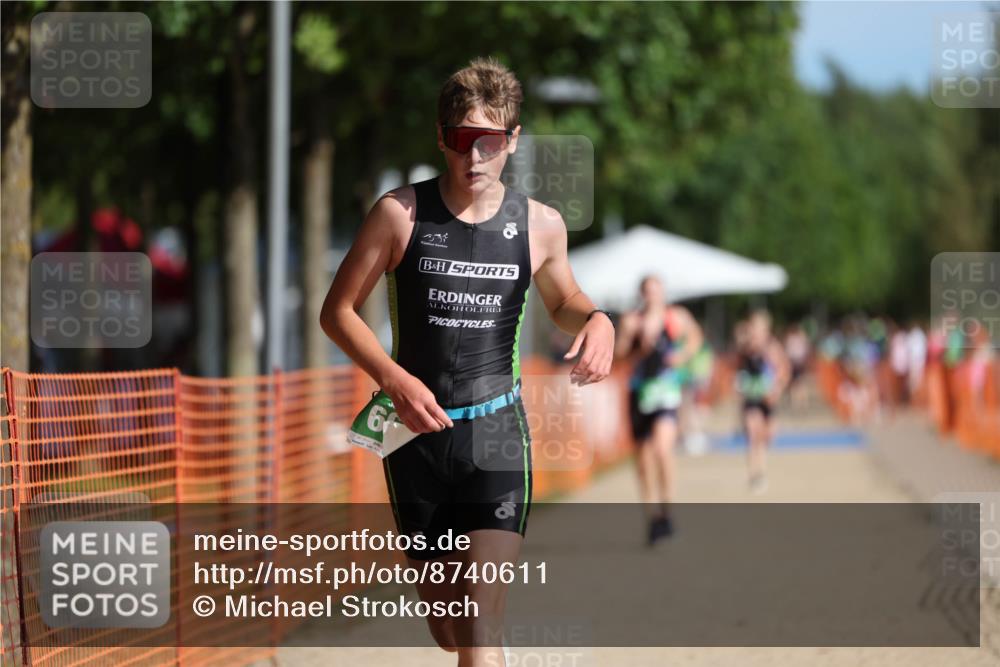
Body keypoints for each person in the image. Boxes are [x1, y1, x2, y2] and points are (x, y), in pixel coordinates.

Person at [320, 57, 614, 666]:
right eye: (461, 141)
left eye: (489, 142)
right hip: (412, 438)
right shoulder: (399, 214)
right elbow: (337, 311)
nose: (474, 158)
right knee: (450, 628)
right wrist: (394, 380)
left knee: (482, 625)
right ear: (440, 138)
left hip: (496, 435)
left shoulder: (540, 225)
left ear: (513, 140)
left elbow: (564, 300)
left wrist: (599, 320)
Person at [614, 275, 703, 544]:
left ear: (663, 292)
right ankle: (652, 516)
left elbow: (695, 339)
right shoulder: (631, 320)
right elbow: (618, 355)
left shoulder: (677, 316)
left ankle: (667, 509)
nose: (652, 295)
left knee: (663, 449)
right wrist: (637, 345)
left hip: (666, 390)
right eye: (647, 291)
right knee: (643, 460)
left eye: (656, 290)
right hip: (639, 392)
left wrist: (682, 355)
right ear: (641, 294)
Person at [734, 309, 790, 493]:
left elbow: (784, 370)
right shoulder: (745, 346)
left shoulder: (772, 347)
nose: (756, 331)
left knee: (767, 436)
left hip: (769, 398)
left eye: (760, 328)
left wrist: (777, 388)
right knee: (753, 433)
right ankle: (755, 474)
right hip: (752, 397)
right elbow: (737, 366)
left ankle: (762, 468)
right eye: (754, 327)